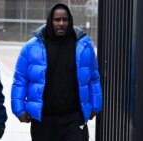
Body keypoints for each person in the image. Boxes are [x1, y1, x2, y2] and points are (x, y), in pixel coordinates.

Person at [11, 3, 102, 141]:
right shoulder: (31, 47)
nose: (61, 23)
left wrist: (96, 104)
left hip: (74, 117)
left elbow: (94, 78)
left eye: (65, 20)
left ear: (70, 21)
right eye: (57, 20)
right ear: (50, 21)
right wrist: (19, 109)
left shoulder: (84, 45)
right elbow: (20, 79)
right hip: (43, 119)